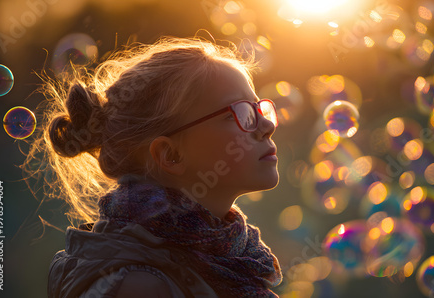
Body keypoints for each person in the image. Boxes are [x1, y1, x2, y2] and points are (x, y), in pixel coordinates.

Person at [31, 36, 283, 297]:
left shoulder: (235, 260)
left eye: (259, 108)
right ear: (170, 154)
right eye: (240, 113)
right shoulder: (139, 287)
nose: (267, 126)